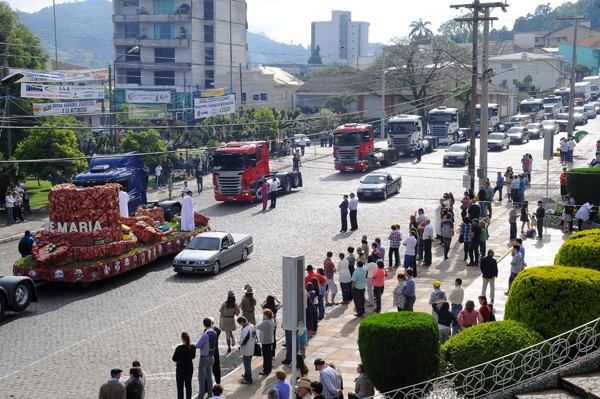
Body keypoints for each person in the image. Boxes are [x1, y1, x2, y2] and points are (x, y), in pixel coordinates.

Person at [196, 318, 218, 398]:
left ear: (204, 325)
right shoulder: (215, 333)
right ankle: (210, 395)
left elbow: (198, 345)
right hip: (211, 357)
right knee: (209, 377)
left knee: (201, 378)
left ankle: (200, 396)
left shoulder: (205, 335)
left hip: (204, 357)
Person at [173, 331, 196, 399]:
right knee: (188, 386)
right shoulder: (193, 347)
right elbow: (193, 357)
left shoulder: (179, 348)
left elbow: (174, 359)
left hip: (180, 370)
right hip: (189, 369)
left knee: (180, 388)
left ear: (182, 339)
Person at [256, 309, 275, 375]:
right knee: (269, 355)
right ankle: (268, 368)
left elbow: (258, 327)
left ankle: (266, 370)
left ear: (266, 315)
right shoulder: (271, 320)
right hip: (269, 340)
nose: (263, 316)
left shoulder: (266, 322)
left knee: (266, 356)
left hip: (265, 340)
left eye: (264, 314)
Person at [237, 316, 255, 384]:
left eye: (240, 323)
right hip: (251, 346)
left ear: (242, 322)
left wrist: (239, 342)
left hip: (247, 348)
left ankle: (248, 379)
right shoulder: (252, 326)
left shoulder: (246, 329)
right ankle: (246, 375)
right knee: (248, 363)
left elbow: (243, 341)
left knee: (247, 365)